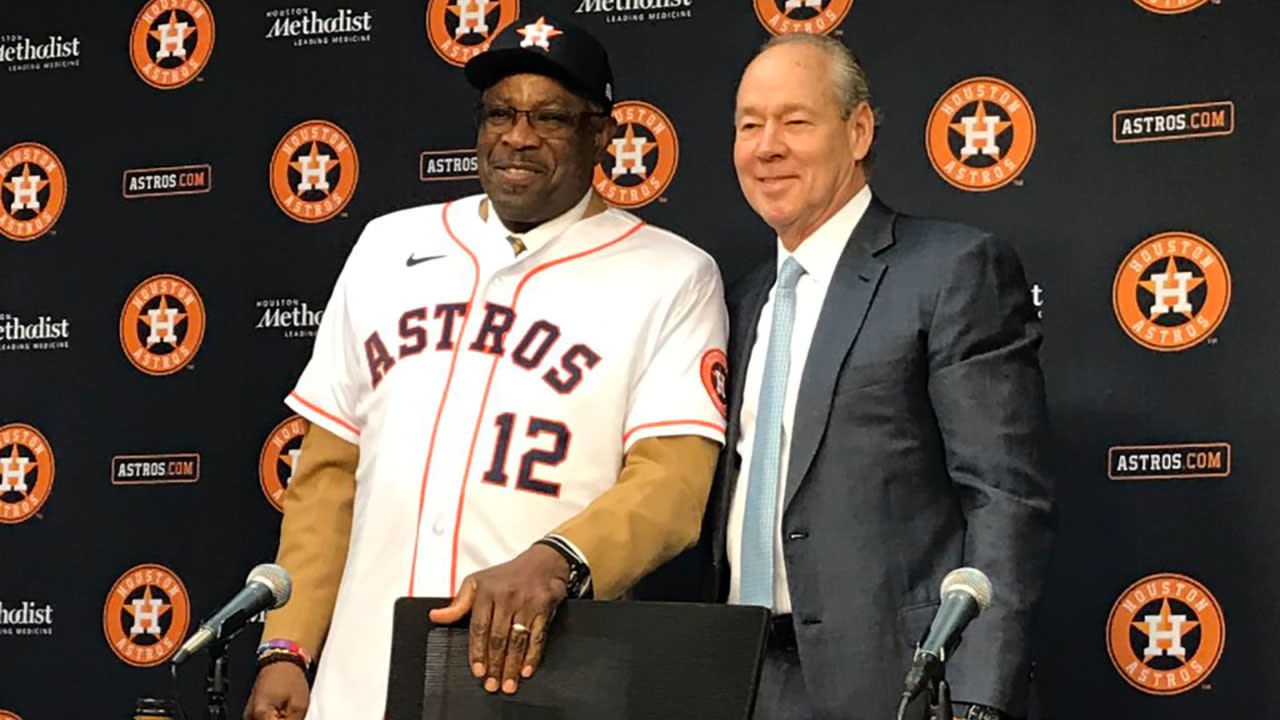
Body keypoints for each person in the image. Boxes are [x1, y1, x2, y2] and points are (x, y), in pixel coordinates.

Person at [243, 17, 729, 720]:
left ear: (602, 135)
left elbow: (671, 483)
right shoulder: (388, 245)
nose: (518, 136)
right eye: (500, 112)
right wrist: (288, 648)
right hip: (360, 668)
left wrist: (558, 558)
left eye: (550, 118)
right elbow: (325, 478)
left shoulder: (672, 275)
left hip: (538, 671)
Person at [707, 33, 1053, 720]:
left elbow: (1005, 496)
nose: (766, 146)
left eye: (795, 121)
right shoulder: (742, 303)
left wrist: (979, 692)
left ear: (858, 130)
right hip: (747, 682)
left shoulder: (951, 270)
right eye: (750, 125)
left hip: (910, 687)